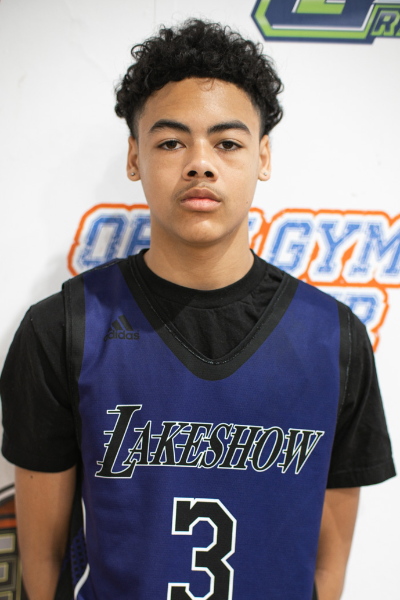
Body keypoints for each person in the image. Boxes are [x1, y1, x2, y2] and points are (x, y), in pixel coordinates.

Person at [0, 19, 395, 600]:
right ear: (134, 156)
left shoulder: (333, 338)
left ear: (263, 156)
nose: (200, 164)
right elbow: (43, 562)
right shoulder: (61, 329)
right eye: (171, 142)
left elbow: (326, 567)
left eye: (227, 143)